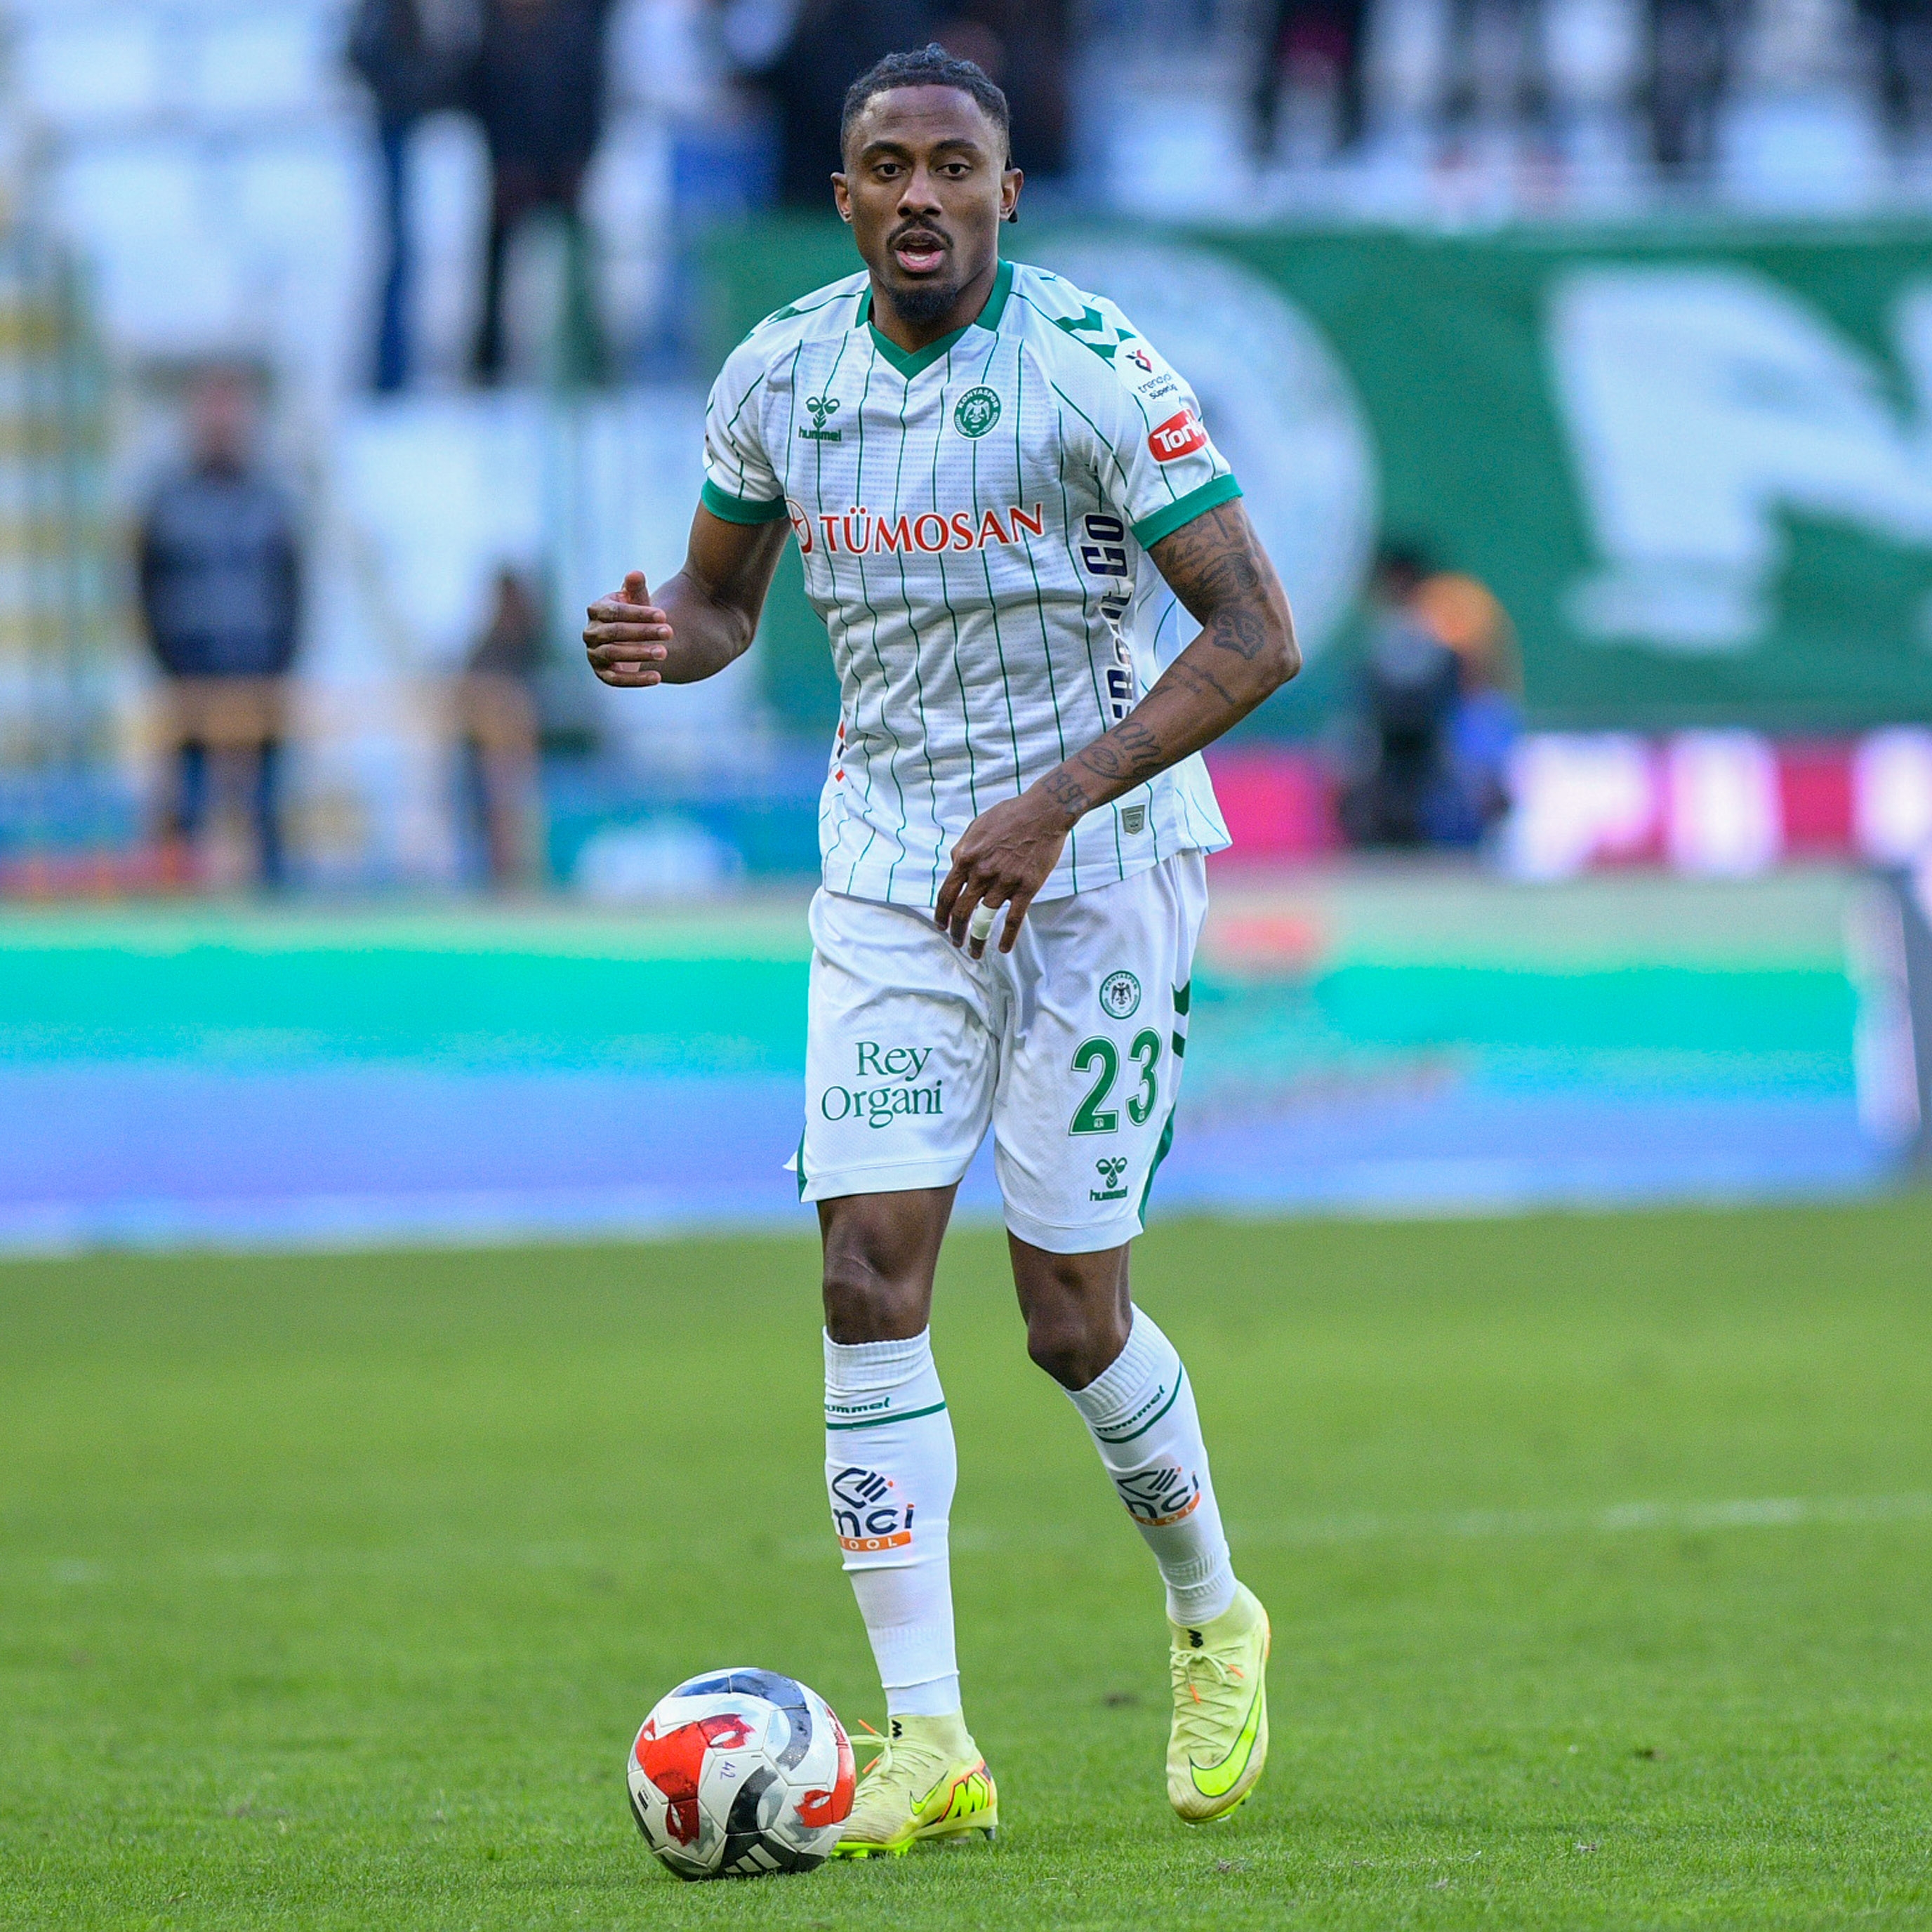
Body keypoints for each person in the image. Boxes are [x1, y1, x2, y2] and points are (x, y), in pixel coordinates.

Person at [584, 46, 1298, 1853]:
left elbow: (1255, 635)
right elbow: (724, 600)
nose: (920, 194)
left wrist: (1053, 799)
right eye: (887, 167)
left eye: (953, 166)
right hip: (892, 867)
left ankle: (1212, 1612)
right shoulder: (779, 376)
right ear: (842, 199)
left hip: (1103, 866)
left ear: (1006, 192)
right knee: (864, 1276)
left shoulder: (1093, 371)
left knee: (1069, 1319)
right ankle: (929, 1738)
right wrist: (670, 643)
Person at [138, 369, 302, 889]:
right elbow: (146, 587)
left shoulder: (271, 500)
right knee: (187, 806)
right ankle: (181, 904)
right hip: (191, 672)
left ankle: (274, 902)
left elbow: (294, 588)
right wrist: (170, 663)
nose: (221, 424)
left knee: (266, 806)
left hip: (259, 668)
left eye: (230, 412)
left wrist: (280, 663)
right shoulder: (167, 502)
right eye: (212, 412)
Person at [470, 0, 615, 384]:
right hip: (512, 167)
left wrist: (579, 160)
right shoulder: (496, 29)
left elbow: (589, 95)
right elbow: (484, 97)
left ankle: (588, 356)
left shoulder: (574, 25)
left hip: (561, 165)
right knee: (496, 263)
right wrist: (503, 160)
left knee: (578, 263)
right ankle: (488, 359)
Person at [453, 566, 545, 886]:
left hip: (524, 760)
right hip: (483, 762)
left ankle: (517, 877)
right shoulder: (486, 649)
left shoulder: (532, 646)